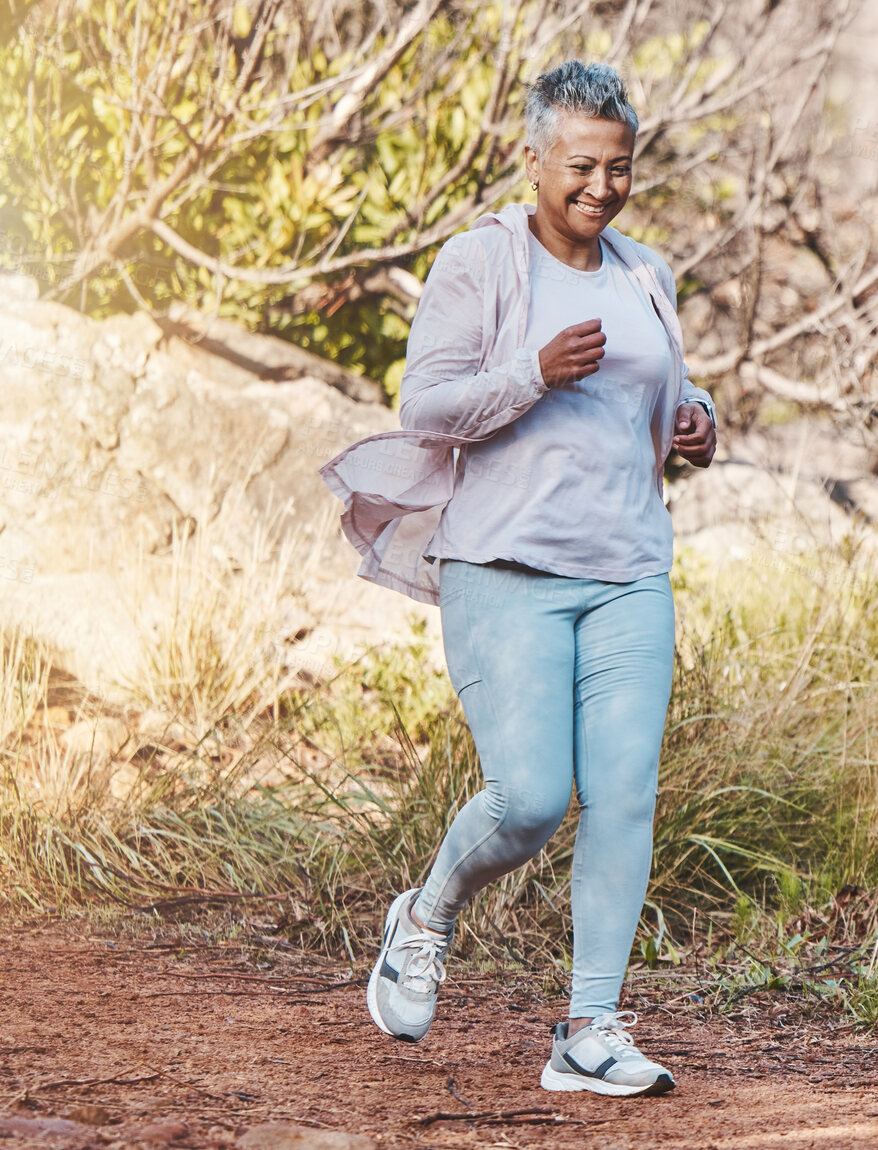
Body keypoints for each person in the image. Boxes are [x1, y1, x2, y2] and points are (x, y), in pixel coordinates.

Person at [319, 59, 716, 1098]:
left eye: (619, 167)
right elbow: (428, 408)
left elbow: (656, 385)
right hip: (506, 568)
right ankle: (427, 911)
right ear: (533, 159)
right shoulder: (478, 262)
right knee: (534, 798)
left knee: (624, 793)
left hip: (629, 569)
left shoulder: (645, 273)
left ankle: (590, 1027)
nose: (602, 187)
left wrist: (696, 419)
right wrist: (534, 372)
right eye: (581, 165)